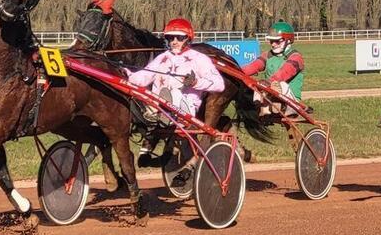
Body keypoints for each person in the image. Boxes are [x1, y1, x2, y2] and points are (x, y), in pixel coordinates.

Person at [127, 17, 225, 167]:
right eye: (170, 38)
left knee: (171, 93)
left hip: (185, 111)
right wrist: (126, 74)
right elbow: (143, 77)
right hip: (161, 105)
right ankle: (156, 114)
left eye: (179, 38)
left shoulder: (200, 59)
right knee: (139, 95)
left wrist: (196, 82)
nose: (174, 41)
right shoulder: (162, 58)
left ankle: (157, 113)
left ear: (188, 38)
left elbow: (219, 85)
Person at [241, 21, 305, 115]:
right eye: (271, 41)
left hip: (291, 101)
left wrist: (268, 82)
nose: (273, 44)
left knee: (281, 84)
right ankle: (261, 108)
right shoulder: (267, 55)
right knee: (252, 84)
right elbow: (253, 66)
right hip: (270, 93)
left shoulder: (296, 57)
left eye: (277, 41)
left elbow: (284, 73)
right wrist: (236, 71)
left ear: (288, 40)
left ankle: (280, 107)